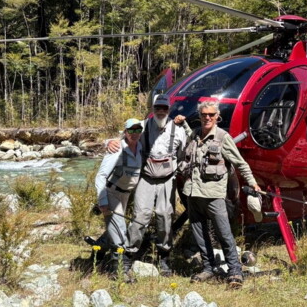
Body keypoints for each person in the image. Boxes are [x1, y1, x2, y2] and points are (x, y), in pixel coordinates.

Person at [175, 99, 262, 289]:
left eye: (211, 115)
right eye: (204, 114)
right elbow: (189, 139)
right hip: (193, 193)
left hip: (214, 195)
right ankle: (208, 267)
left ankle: (235, 271)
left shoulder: (223, 138)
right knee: (199, 233)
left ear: (217, 117)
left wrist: (252, 182)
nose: (207, 118)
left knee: (224, 234)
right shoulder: (195, 134)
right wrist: (182, 123)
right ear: (199, 116)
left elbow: (240, 163)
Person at [106, 94, 187, 275]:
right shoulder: (142, 126)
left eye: (164, 108)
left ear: (169, 110)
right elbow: (124, 139)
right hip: (146, 177)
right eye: (157, 107)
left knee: (165, 216)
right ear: (152, 109)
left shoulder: (179, 130)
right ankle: (130, 253)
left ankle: (164, 255)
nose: (160, 111)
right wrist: (110, 142)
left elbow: (182, 155)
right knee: (140, 216)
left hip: (168, 179)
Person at [94, 118, 145, 279]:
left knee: (115, 228)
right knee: (120, 229)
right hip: (112, 193)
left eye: (138, 130)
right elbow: (101, 176)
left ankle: (99, 250)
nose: (135, 133)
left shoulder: (140, 146)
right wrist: (103, 201)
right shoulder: (116, 150)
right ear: (125, 132)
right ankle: (119, 271)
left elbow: (152, 120)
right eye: (131, 130)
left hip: (126, 194)